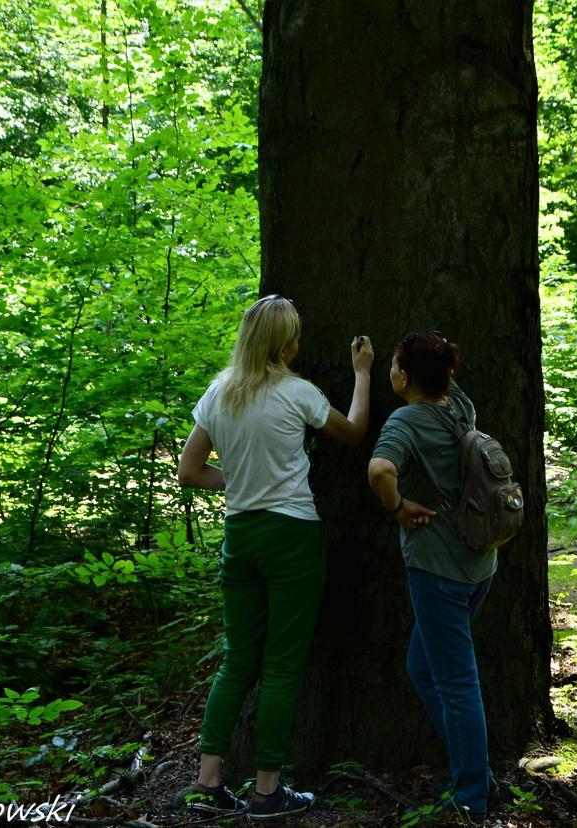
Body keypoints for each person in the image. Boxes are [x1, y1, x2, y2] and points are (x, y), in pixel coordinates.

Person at [173, 295, 373, 820]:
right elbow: (352, 432)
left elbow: (189, 472)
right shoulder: (297, 392)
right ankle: (267, 792)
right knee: (282, 667)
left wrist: (237, 480)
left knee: (238, 659)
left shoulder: (220, 393)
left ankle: (207, 784)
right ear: (286, 344)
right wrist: (362, 373)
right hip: (290, 537)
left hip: (240, 536)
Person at [367, 332, 496, 826]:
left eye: (395, 365)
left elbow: (380, 469)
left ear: (402, 375)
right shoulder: (461, 407)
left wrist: (397, 506)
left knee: (456, 682)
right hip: (479, 564)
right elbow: (445, 376)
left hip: (439, 570)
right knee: (423, 668)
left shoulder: (407, 420)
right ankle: (475, 769)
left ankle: (470, 795)